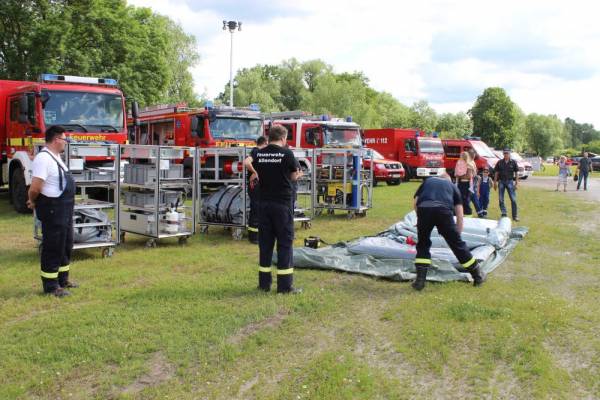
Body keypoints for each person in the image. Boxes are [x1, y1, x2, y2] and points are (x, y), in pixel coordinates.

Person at [27, 126, 78, 297]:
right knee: (53, 246)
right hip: (53, 209)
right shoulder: (43, 159)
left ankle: (63, 280)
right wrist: (32, 200)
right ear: (56, 139)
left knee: (65, 244)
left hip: (64, 209)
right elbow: (35, 187)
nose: (66, 142)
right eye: (64, 139)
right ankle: (51, 286)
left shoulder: (56, 157)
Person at [412, 174, 486, 291]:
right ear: (449, 180)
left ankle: (420, 281)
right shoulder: (453, 186)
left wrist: (419, 218)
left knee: (423, 244)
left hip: (424, 209)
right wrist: (458, 233)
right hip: (443, 211)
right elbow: (460, 213)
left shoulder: (427, 181)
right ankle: (478, 275)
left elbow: (416, 202)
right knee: (457, 245)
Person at [254, 125, 303, 294]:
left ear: (269, 137)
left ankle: (264, 284)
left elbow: (254, 169)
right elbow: (293, 175)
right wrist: (297, 176)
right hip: (282, 205)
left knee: (265, 244)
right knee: (284, 243)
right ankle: (284, 286)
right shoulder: (287, 153)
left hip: (264, 204)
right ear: (283, 138)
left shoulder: (258, 154)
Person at [244, 136, 267, 244]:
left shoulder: (259, 153)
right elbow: (247, 162)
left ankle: (258, 235)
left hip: (259, 186)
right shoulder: (256, 152)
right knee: (256, 210)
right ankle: (253, 237)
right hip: (255, 186)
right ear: (265, 143)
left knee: (259, 209)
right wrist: (255, 172)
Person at [494, 148, 519, 222]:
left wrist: (517, 183)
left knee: (513, 199)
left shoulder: (513, 162)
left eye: (507, 153)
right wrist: (495, 182)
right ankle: (504, 213)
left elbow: (516, 173)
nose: (506, 154)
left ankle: (515, 216)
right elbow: (496, 173)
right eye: (504, 153)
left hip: (510, 182)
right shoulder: (499, 162)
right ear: (503, 154)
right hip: (501, 182)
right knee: (501, 199)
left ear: (509, 154)